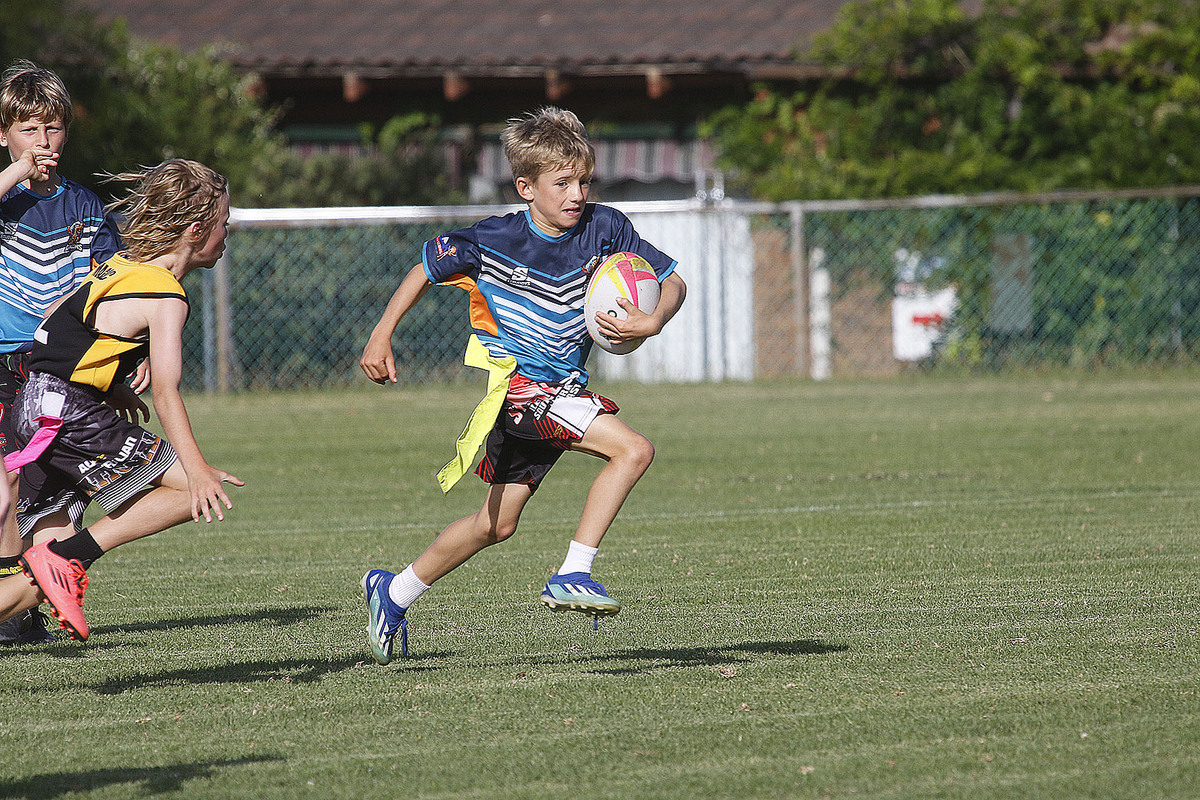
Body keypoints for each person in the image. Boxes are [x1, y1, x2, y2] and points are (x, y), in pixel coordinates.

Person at [359, 106, 687, 664]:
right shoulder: (495, 238)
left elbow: (671, 279)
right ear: (526, 186)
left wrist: (653, 319)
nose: (576, 194)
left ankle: (394, 592)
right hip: (521, 392)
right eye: (562, 183)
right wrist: (380, 335)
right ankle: (574, 571)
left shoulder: (605, 228)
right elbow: (424, 268)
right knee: (633, 450)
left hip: (562, 389)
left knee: (497, 523)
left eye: (583, 180)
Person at [0, 158, 243, 641]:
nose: (226, 235)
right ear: (196, 231)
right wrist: (196, 466)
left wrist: (106, 386)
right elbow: (167, 389)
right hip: (65, 414)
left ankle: (57, 565)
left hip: (39, 403)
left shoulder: (121, 266)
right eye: (223, 225)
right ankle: (72, 558)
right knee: (189, 491)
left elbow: (62, 321)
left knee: (40, 566)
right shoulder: (166, 294)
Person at [0, 60, 125, 645]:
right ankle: (14, 604)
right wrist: (16, 171)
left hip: (58, 369)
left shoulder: (87, 206)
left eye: (51, 129)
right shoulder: (6, 197)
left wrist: (123, 362)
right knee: (4, 489)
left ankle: (22, 600)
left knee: (50, 493)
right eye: (27, 129)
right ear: (5, 134)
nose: (42, 143)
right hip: (5, 365)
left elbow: (105, 286)